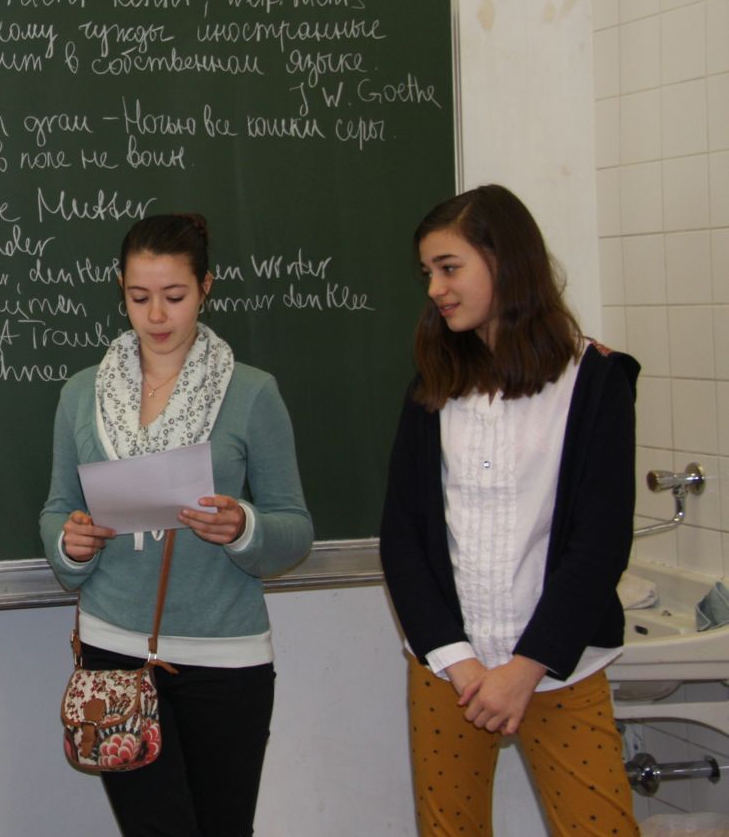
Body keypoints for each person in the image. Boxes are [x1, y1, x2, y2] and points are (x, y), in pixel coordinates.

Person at [39, 213, 314, 837]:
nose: (157, 315)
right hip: (113, 651)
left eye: (175, 296)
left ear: (206, 288)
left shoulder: (251, 393)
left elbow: (295, 528)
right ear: (121, 290)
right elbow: (58, 507)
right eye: (139, 297)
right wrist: (70, 543)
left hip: (226, 658)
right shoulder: (82, 393)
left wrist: (243, 527)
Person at [379, 184, 640, 836]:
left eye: (449, 268)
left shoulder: (595, 382)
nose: (435, 288)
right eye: (428, 272)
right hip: (450, 671)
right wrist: (458, 660)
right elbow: (402, 536)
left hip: (558, 667)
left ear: (506, 261)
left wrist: (525, 669)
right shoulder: (433, 388)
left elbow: (600, 543)